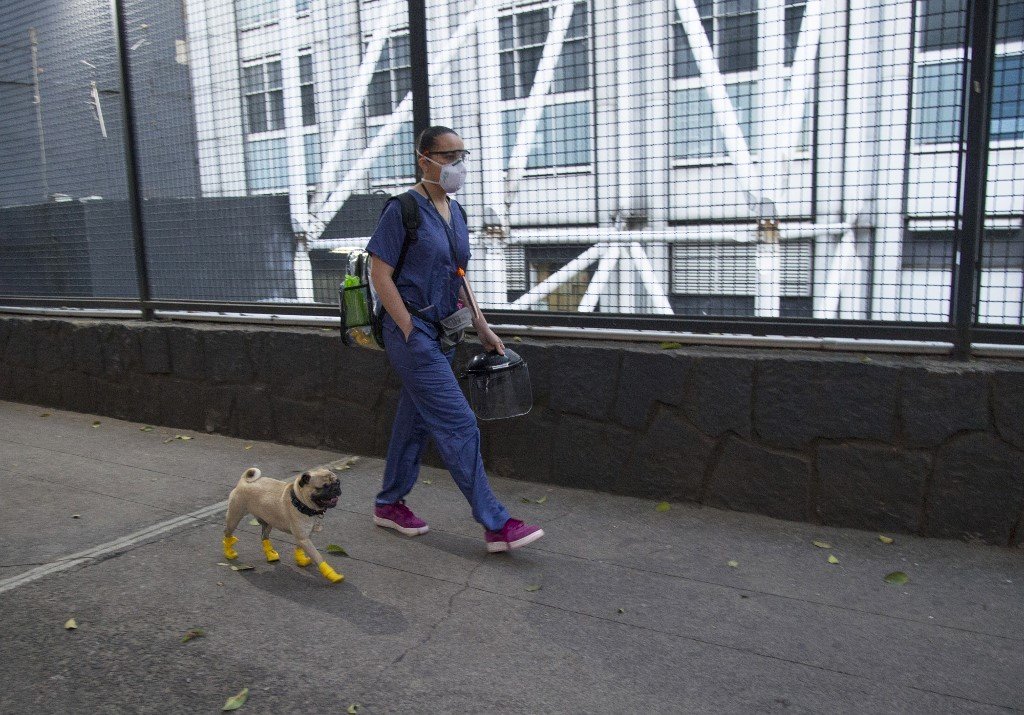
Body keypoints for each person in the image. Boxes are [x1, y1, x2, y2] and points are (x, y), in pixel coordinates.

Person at [365, 125, 544, 553]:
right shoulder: (402, 209)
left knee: (416, 420)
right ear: (422, 158)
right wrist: (408, 328)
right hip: (413, 335)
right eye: (447, 157)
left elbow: (457, 276)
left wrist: (482, 326)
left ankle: (389, 504)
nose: (456, 165)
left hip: (444, 332)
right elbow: (379, 273)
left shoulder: (456, 212)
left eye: (461, 156)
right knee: (459, 422)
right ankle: (496, 523)